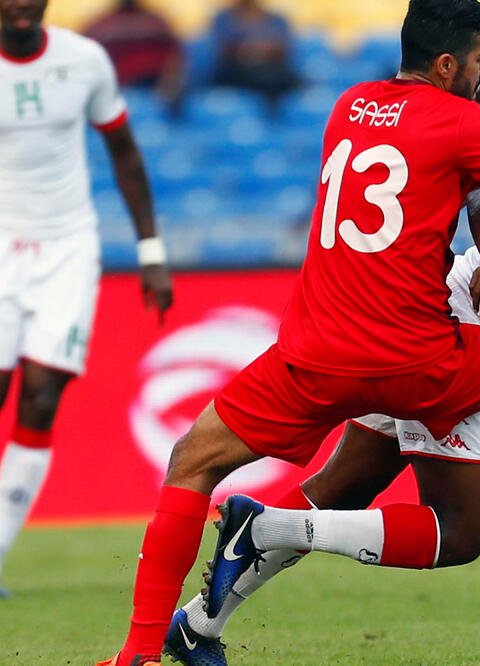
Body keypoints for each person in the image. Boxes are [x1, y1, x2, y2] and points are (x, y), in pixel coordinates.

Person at [97, 1, 480, 663]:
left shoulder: (348, 104)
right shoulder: (464, 119)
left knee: (193, 462)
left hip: (312, 349)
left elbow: (460, 185)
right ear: (449, 63)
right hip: (414, 355)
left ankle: (144, 649)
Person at [0, 0, 173, 600]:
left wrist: (150, 250)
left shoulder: (84, 60)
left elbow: (124, 152)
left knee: (41, 398)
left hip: (67, 251)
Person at [83, 0, 185, 110]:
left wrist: (169, 85)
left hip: (154, 87)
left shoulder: (157, 22)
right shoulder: (100, 25)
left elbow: (175, 57)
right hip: (115, 89)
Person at [208, 0, 298, 106]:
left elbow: (283, 49)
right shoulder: (224, 19)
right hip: (236, 72)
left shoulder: (277, 20)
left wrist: (252, 50)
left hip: (272, 71)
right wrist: (256, 50)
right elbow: (225, 50)